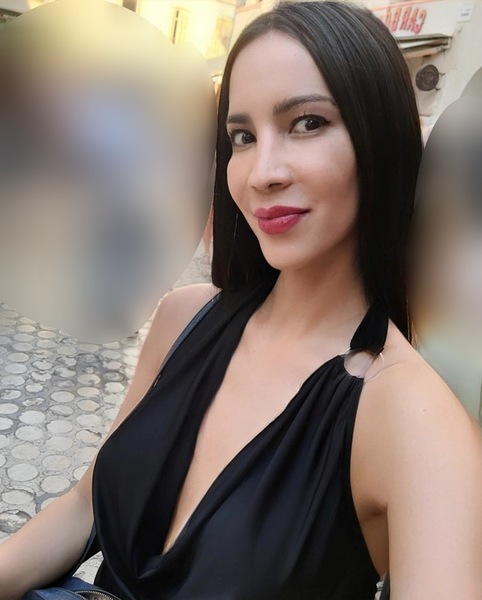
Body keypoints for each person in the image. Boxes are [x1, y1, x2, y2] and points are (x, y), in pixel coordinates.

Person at [1, 2, 481, 599]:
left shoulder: (412, 416)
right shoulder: (184, 316)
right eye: (243, 137)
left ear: (379, 138)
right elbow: (83, 507)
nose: (261, 173)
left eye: (306, 122)